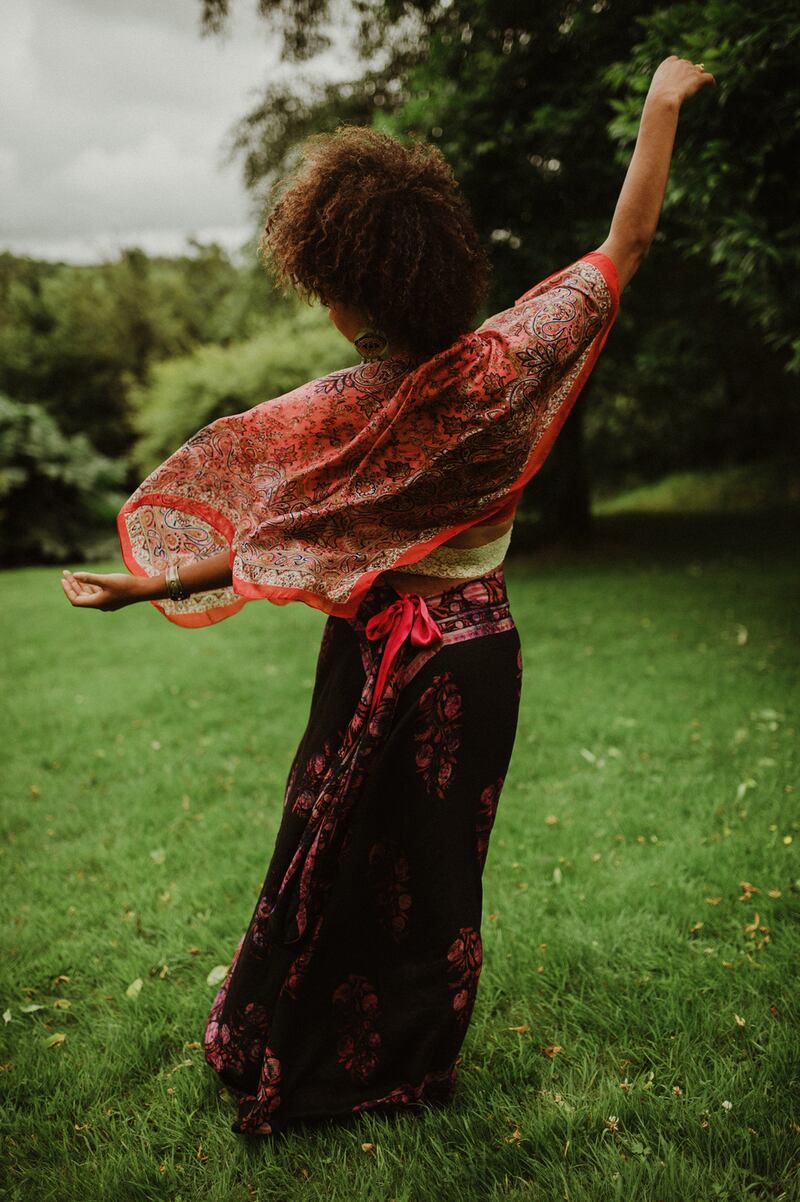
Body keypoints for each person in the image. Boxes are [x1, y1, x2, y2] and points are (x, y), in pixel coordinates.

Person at [61, 56, 715, 1136]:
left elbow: (264, 517)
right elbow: (624, 245)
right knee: (431, 874)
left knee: (327, 842)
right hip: (475, 659)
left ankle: (291, 1041)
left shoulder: (345, 409)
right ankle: (399, 1060)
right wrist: (656, 103)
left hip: (383, 657)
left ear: (352, 293)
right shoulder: (514, 355)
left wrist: (150, 583)